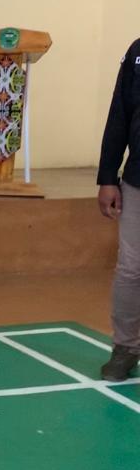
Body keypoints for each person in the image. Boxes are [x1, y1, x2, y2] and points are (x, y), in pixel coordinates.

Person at [97, 38, 140, 382]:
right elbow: (119, 114)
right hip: (137, 181)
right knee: (130, 269)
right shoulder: (138, 52)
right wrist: (108, 177)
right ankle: (125, 348)